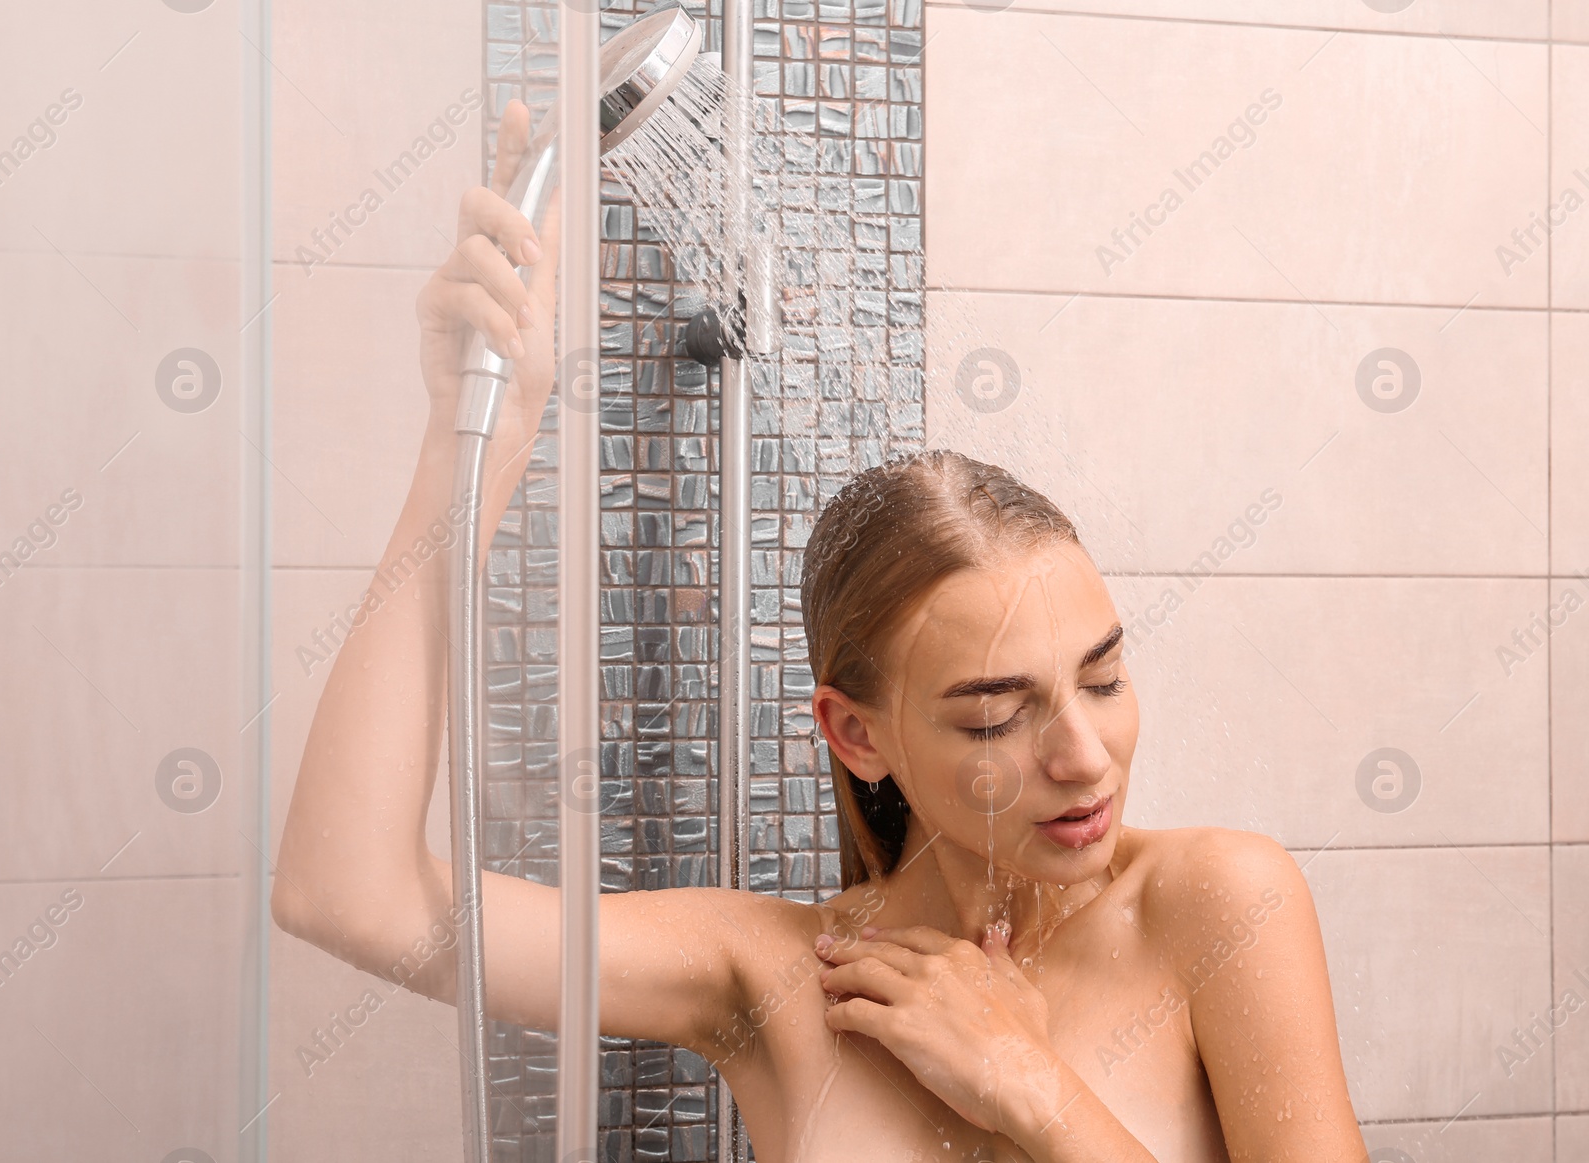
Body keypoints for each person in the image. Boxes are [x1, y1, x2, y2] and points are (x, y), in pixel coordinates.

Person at [273, 101, 1367, 1163]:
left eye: (1103, 677)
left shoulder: (1216, 903)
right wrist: (470, 446)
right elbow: (347, 892)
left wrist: (1033, 1088)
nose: (1084, 755)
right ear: (855, 733)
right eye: (995, 712)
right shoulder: (784, 974)